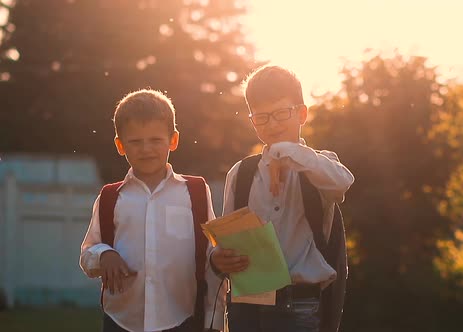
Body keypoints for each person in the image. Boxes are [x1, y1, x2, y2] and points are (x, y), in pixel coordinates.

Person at [211, 65, 354, 332]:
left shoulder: (319, 166)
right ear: (252, 120)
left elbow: (342, 183)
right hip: (248, 306)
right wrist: (218, 258)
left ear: (302, 113)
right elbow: (226, 239)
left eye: (281, 113)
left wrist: (289, 151)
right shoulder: (241, 173)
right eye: (262, 117)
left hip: (300, 307)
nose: (273, 124)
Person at [79, 89, 224, 332]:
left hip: (183, 319)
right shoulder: (110, 198)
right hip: (121, 321)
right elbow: (87, 255)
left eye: (155, 140)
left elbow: (211, 258)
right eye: (135, 141)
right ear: (120, 145)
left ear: (173, 140)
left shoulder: (196, 192)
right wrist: (104, 254)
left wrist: (215, 320)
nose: (146, 149)